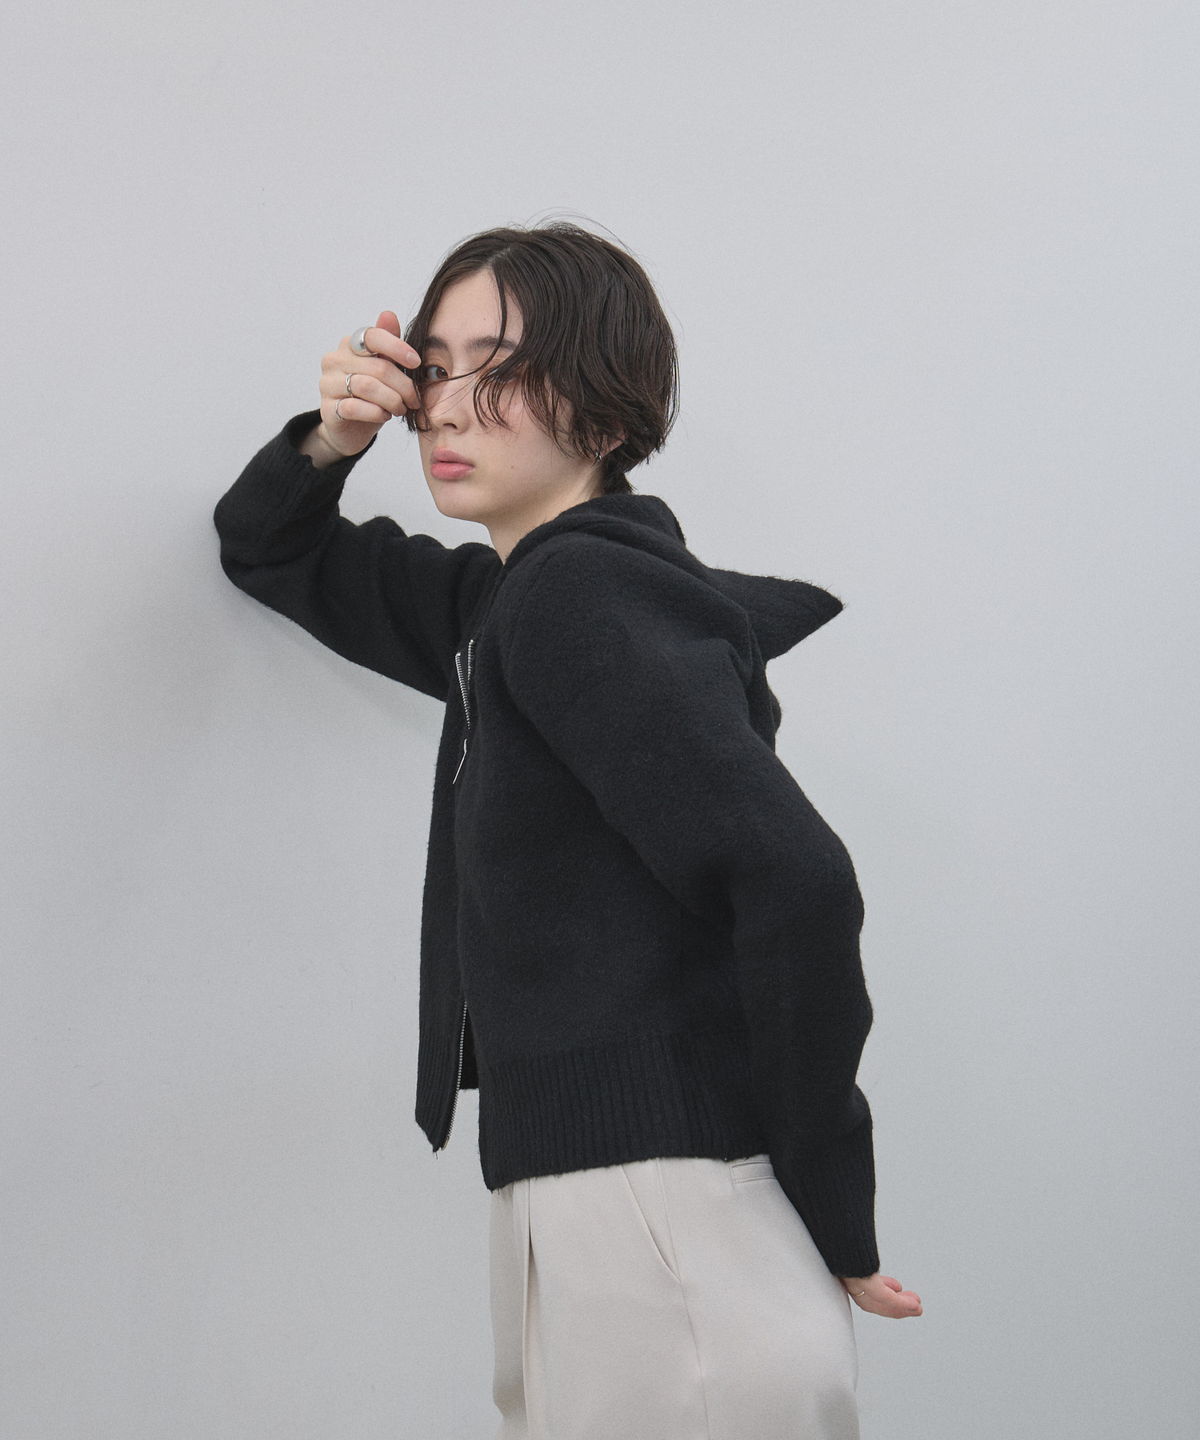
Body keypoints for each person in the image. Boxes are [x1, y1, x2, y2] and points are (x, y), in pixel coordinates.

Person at [212, 220, 921, 1440]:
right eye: (434, 366)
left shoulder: (577, 594)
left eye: (495, 367)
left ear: (601, 407)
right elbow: (268, 547)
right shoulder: (507, 604)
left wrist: (832, 1191)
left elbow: (795, 879)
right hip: (609, 1216)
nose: (443, 406)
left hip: (659, 1226)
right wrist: (334, 436)